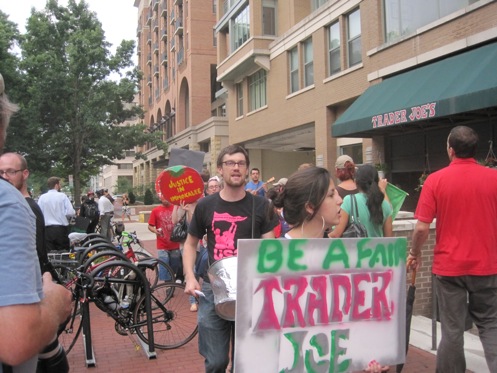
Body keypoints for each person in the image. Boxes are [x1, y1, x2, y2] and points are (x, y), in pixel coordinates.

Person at [408, 126, 497, 372]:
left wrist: (414, 253)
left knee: (452, 330)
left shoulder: (435, 180)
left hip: (449, 269)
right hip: (487, 267)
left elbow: (421, 229)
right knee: (491, 326)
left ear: (450, 150)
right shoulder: (494, 178)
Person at [183, 144, 278, 373]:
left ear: (246, 170)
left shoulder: (261, 205)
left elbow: (271, 248)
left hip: (251, 289)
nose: (236, 168)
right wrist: (189, 276)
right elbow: (190, 243)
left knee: (244, 362)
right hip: (213, 288)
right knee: (215, 361)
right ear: (220, 169)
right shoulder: (206, 205)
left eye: (241, 163)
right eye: (230, 163)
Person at [0, 72, 72, 372]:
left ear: (25, 174)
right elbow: (17, 339)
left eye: (10, 171)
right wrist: (55, 302)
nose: (6, 176)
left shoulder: (34, 202)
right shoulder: (9, 203)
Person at [273, 167, 342, 238]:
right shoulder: (283, 248)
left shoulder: (335, 247)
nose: (340, 200)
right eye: (331, 195)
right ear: (310, 207)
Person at [330, 164, 393, 238]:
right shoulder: (385, 205)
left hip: (356, 248)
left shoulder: (349, 201)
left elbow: (336, 234)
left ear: (356, 182)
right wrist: (383, 190)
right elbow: (389, 238)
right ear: (377, 181)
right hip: (378, 249)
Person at [38, 176, 76, 252]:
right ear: (56, 185)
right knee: (63, 253)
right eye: (60, 184)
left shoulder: (42, 198)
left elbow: (39, 213)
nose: (60, 186)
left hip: (47, 230)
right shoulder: (62, 196)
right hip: (61, 229)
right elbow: (70, 212)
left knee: (50, 254)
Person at [148, 198, 181, 282]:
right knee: (164, 264)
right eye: (163, 197)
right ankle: (168, 284)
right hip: (162, 244)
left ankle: (173, 277)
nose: (165, 200)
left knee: (175, 263)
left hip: (175, 243)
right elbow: (150, 226)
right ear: (160, 198)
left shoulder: (176, 208)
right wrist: (155, 230)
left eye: (167, 197)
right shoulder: (155, 211)